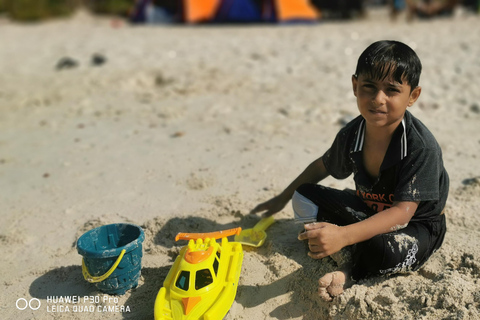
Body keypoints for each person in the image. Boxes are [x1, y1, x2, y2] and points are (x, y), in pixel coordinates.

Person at [250, 40, 449, 301]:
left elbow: (402, 214)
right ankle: (349, 249)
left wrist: (343, 235)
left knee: (383, 250)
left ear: (412, 96)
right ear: (355, 86)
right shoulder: (353, 132)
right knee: (304, 196)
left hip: (415, 227)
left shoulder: (420, 146)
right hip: (368, 211)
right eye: (369, 87)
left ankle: (350, 269)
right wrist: (282, 197)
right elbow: (323, 165)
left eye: (392, 90)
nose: (378, 99)